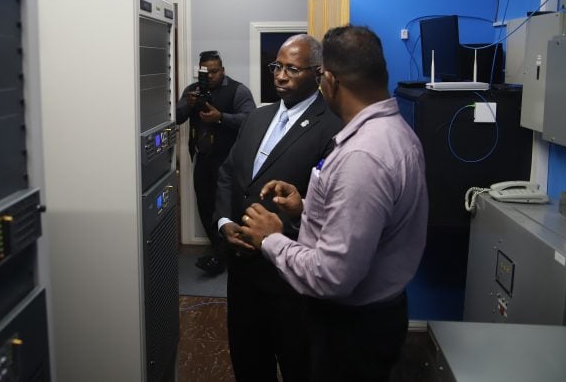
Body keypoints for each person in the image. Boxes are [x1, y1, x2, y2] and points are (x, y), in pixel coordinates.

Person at [240, 25, 429, 382]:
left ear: (328, 80)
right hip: (375, 315)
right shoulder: (394, 133)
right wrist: (306, 207)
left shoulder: (363, 155)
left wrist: (271, 238)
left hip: (352, 329)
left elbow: (331, 276)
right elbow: (364, 218)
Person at [214, 34, 343, 382]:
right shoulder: (258, 117)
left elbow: (330, 206)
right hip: (241, 267)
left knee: (297, 362)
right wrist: (226, 222)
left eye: (292, 69)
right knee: (248, 359)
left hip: (289, 274)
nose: (281, 76)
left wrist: (279, 233)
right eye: (277, 67)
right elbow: (229, 173)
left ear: (317, 73)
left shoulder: (333, 126)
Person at [176, 50, 256, 275]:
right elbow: (176, 117)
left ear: (222, 70)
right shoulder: (192, 91)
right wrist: (188, 105)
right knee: (205, 206)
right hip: (203, 158)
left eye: (214, 71)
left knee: (227, 207)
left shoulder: (238, 90)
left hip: (229, 161)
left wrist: (221, 117)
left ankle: (225, 255)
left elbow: (250, 120)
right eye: (205, 72)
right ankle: (219, 252)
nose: (210, 76)